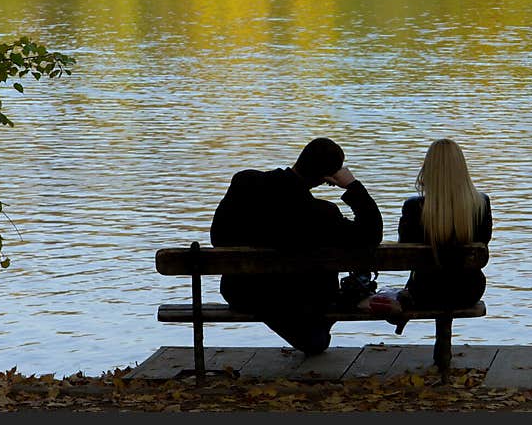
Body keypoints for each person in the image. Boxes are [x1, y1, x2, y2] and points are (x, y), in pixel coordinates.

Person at [210, 137, 383, 355]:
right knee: (316, 337)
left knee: (313, 337)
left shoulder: (244, 182)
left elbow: (217, 237)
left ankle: (311, 335)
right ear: (328, 179)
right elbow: (371, 234)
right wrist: (353, 186)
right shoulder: (322, 214)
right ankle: (313, 334)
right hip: (296, 299)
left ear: (300, 159)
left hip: (242, 292)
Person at [398, 138, 492, 311]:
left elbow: (405, 248)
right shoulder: (481, 204)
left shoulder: (413, 207)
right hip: (469, 291)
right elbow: (484, 240)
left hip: (425, 291)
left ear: (429, 169)